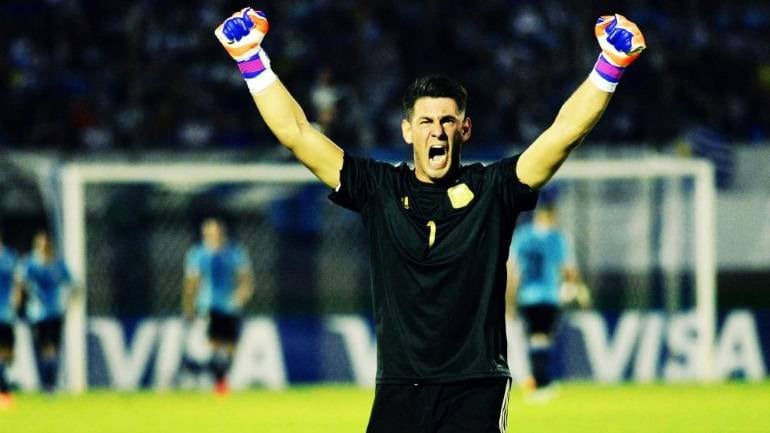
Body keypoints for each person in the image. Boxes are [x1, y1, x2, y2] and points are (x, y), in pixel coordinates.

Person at [214, 7, 645, 432]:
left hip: (474, 388)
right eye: (425, 121)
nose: (436, 131)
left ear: (465, 129)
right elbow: (297, 134)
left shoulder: (494, 190)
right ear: (407, 131)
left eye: (447, 121)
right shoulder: (378, 189)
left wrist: (609, 64)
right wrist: (251, 59)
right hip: (400, 390)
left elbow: (563, 133)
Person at [508, 200, 589, 400]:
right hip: (548, 295)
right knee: (542, 338)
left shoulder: (521, 236)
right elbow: (568, 268)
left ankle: (536, 381)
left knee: (533, 338)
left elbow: (512, 268)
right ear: (551, 217)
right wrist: (577, 288)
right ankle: (540, 382)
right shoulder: (557, 238)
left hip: (526, 296)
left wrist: (510, 295)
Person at [181, 218, 253, 394]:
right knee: (213, 346)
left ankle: (209, 377)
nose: (215, 236)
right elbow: (191, 283)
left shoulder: (235, 252)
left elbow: (245, 280)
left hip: (230, 307)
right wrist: (188, 306)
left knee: (230, 348)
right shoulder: (197, 254)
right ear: (205, 234)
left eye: (217, 232)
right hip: (207, 306)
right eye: (210, 233)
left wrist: (240, 296)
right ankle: (215, 382)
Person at [17, 230, 75, 393]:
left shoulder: (45, 264)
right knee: (48, 349)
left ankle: (48, 384)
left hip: (49, 313)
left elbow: (74, 285)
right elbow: (20, 283)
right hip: (44, 313)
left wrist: (69, 306)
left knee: (49, 349)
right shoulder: (37, 264)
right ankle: (49, 384)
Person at [0, 233, 20, 406]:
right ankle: (4, 391)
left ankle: (4, 386)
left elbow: (17, 282)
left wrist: (15, 302)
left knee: (8, 354)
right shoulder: (10, 257)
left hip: (6, 313)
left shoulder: (10, 257)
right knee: (4, 354)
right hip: (7, 314)